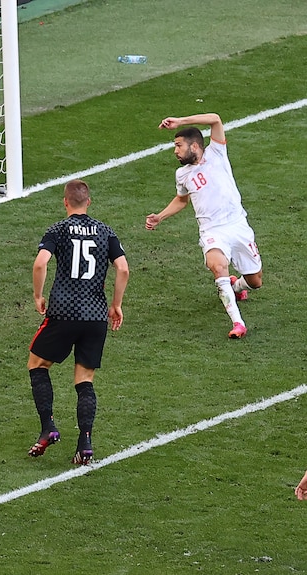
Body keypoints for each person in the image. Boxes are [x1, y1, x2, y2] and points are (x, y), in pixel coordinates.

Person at [26, 180, 129, 465]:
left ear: (65, 202)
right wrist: (116, 304)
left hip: (63, 312)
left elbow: (40, 263)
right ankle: (85, 444)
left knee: (37, 364)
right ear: (89, 202)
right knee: (84, 380)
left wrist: (37, 295)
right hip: (95, 316)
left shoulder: (58, 230)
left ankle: (48, 427)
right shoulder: (105, 231)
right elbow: (122, 268)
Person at [146, 113, 263, 339]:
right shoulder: (181, 174)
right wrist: (160, 216)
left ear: (196, 146)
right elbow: (181, 200)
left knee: (255, 282)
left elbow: (215, 119)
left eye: (179, 145)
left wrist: (180, 122)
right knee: (217, 266)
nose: (175, 151)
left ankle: (236, 287)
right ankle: (238, 323)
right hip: (212, 231)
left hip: (237, 224)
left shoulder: (216, 153)